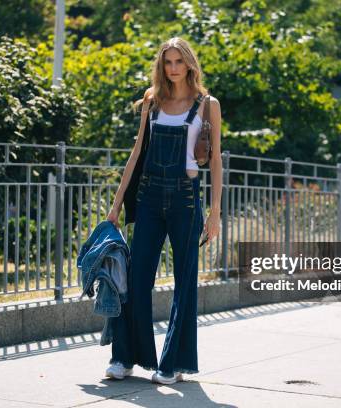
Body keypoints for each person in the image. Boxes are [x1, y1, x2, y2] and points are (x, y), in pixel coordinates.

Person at [104, 36, 223, 385]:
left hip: (187, 200)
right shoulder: (151, 100)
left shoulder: (207, 104)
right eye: (167, 62)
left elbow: (215, 160)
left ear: (189, 63)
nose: (173, 68)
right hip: (150, 197)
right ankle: (124, 357)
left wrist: (214, 212)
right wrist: (115, 206)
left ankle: (173, 364)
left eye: (178, 62)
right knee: (136, 278)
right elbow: (137, 152)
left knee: (185, 284)